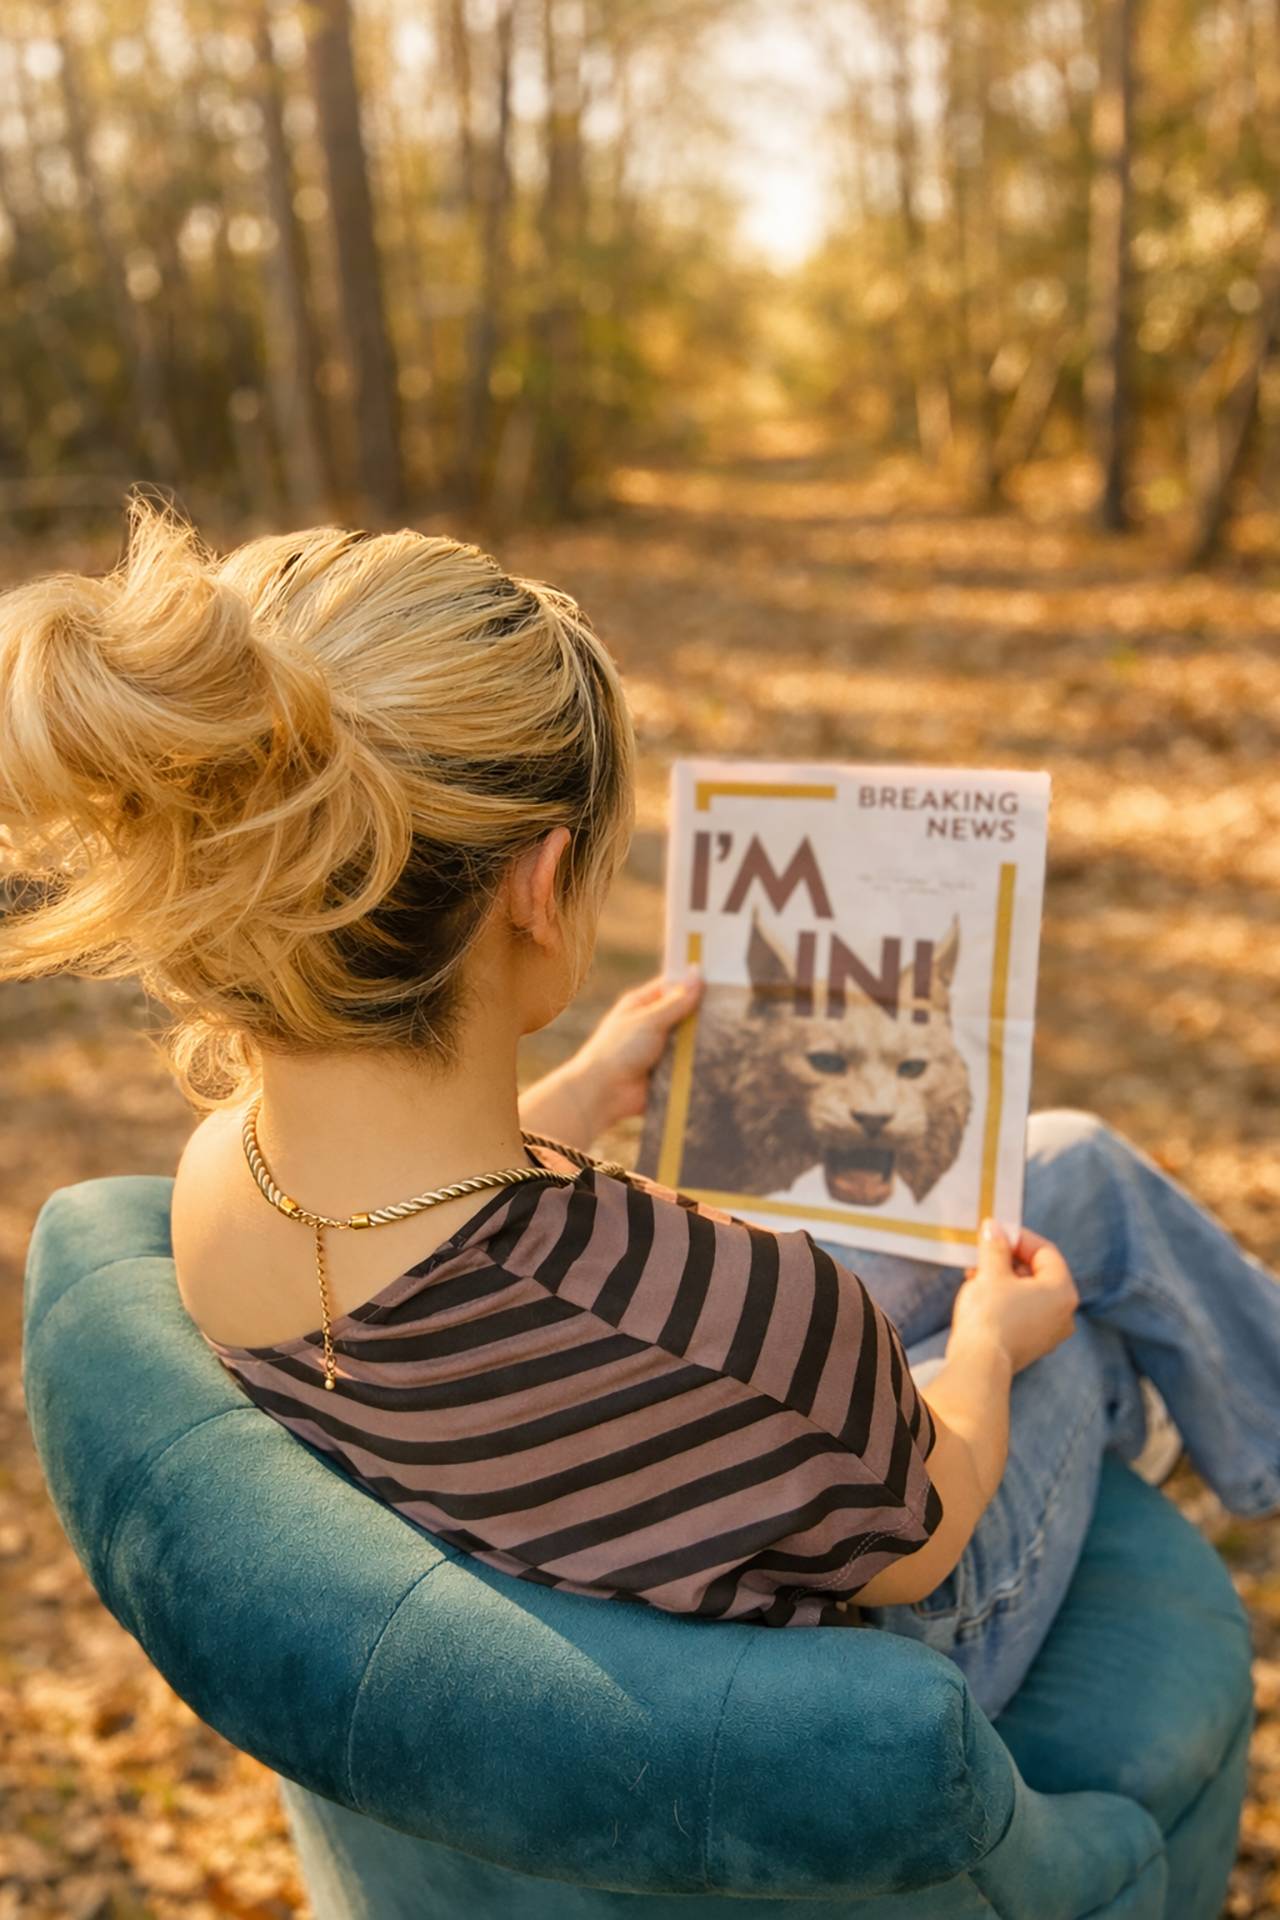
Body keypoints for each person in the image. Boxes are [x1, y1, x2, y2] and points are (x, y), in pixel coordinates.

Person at [2, 497, 1277, 1722]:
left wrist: (576, 1095)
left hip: (583, 1478)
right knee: (1080, 1280)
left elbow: (420, 1234)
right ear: (539, 885)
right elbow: (923, 1542)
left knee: (1061, 1169)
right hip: (887, 1648)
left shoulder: (228, 1174)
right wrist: (992, 1343)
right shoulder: (738, 1311)